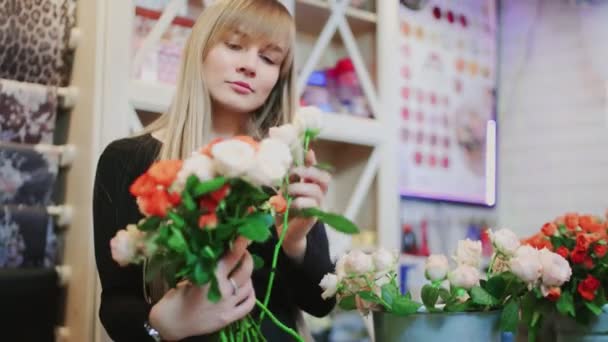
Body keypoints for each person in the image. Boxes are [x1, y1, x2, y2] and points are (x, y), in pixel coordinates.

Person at [93, 0, 336, 341]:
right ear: (200, 48)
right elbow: (116, 303)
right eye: (235, 45)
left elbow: (320, 302)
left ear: (277, 78)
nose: (249, 66)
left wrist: (294, 242)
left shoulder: (282, 164)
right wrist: (162, 326)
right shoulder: (125, 160)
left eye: (268, 58)